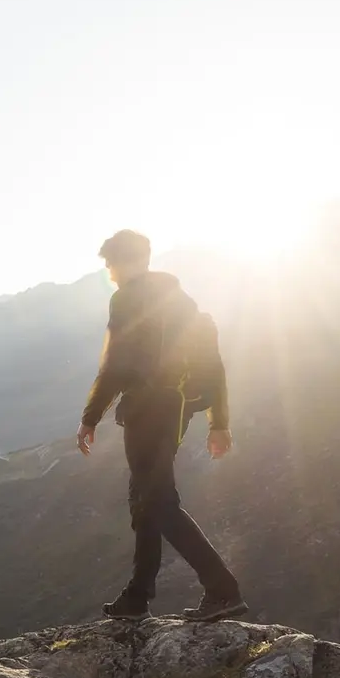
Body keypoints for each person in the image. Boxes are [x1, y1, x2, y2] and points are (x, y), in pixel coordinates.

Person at [76, 229, 247, 622]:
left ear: (124, 262)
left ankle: (223, 590)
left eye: (110, 265)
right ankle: (138, 598)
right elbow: (213, 363)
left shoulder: (127, 298)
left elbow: (115, 364)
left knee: (157, 502)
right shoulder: (181, 300)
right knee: (146, 499)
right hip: (176, 411)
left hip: (146, 411)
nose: (110, 274)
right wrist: (219, 422)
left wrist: (90, 416)